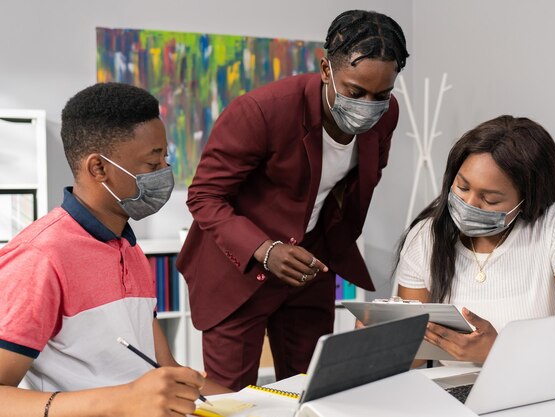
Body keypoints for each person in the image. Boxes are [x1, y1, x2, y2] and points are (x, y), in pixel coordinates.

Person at [177, 9, 410, 390]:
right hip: (236, 272)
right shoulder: (261, 112)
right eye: (355, 91)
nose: (368, 105)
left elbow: (362, 177)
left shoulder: (386, 116)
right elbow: (205, 196)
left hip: (309, 265)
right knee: (230, 399)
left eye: (380, 95)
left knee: (309, 388)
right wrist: (266, 249)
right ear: (325, 70)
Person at [0, 83, 229, 417]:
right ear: (99, 168)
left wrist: (267, 403)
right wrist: (124, 401)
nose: (165, 173)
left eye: (166, 158)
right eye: (152, 165)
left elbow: (164, 367)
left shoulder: (128, 247)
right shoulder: (38, 258)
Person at [395, 115, 555, 363]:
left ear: (526, 200)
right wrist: (383, 341)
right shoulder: (426, 237)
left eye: (490, 199)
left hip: (541, 391)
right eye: (462, 187)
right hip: (452, 393)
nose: (469, 204)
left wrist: (499, 351)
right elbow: (412, 357)